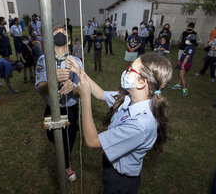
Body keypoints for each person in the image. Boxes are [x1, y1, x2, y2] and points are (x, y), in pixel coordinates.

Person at [65, 53, 173, 193]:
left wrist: (85, 98)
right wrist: (80, 72)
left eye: (130, 69)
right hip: (111, 165)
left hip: (121, 181)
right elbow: (100, 93)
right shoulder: (130, 97)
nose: (126, 71)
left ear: (142, 82)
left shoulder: (141, 124)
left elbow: (92, 141)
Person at [35, 25, 82, 182]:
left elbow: (81, 91)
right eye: (55, 34)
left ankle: (66, 164)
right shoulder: (43, 60)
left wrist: (73, 88)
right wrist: (52, 80)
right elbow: (41, 89)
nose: (59, 35)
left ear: (68, 41)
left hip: (70, 110)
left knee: (68, 140)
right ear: (49, 39)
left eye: (63, 34)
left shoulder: (76, 61)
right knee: (53, 137)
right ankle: (60, 151)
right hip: (52, 109)